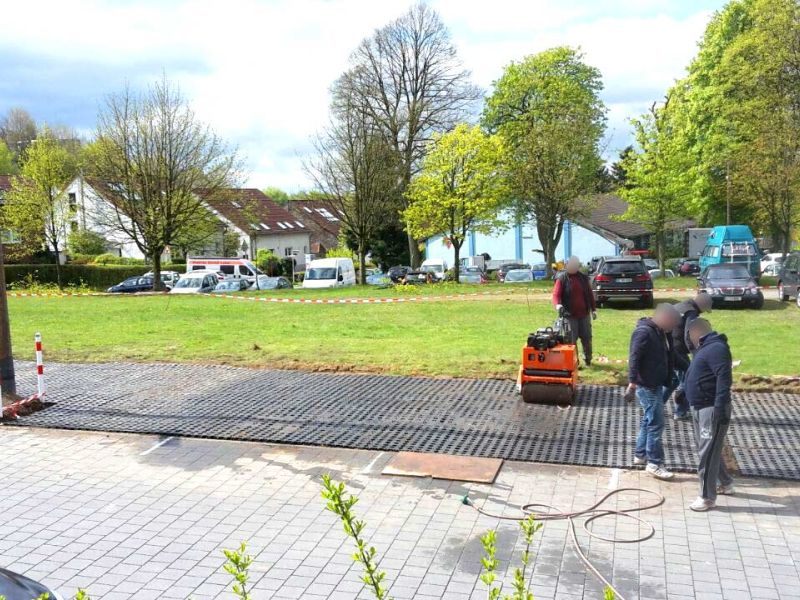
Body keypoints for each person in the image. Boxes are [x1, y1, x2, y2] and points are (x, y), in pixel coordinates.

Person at [626, 303, 687, 480]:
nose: (674, 328)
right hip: (647, 386)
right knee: (656, 423)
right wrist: (632, 384)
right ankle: (654, 463)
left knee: (649, 420)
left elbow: (672, 356)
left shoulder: (663, 332)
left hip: (657, 383)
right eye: (673, 323)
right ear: (665, 318)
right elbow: (634, 358)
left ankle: (640, 454)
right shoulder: (644, 333)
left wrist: (690, 368)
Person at [684, 317, 734, 511]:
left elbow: (724, 379)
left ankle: (707, 497)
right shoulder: (706, 348)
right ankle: (726, 482)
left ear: (696, 332)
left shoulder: (716, 349)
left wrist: (720, 408)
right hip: (699, 406)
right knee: (709, 449)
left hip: (710, 409)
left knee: (707, 453)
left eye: (689, 335)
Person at [667, 292, 714, 420]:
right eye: (705, 309)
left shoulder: (680, 305)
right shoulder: (691, 313)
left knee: (672, 380)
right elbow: (689, 335)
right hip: (678, 351)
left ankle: (656, 404)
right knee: (688, 380)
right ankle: (680, 411)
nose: (704, 312)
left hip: (668, 347)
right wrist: (696, 355)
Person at [552, 256, 596, 367]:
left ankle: (588, 360)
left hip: (584, 314)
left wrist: (593, 310)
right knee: (571, 340)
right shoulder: (561, 279)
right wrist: (557, 305)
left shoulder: (583, 278)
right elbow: (556, 294)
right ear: (567, 266)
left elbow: (590, 295)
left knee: (587, 338)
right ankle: (574, 362)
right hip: (569, 315)